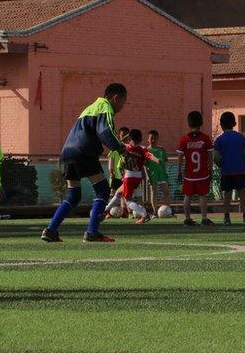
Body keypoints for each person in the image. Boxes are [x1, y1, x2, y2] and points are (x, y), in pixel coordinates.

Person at [41, 83, 129, 243]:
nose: (122, 107)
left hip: (67, 154)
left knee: (73, 195)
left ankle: (51, 230)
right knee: (102, 190)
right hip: (83, 153)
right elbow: (105, 130)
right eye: (123, 102)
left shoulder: (90, 107)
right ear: (116, 98)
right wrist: (122, 150)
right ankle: (92, 232)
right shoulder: (104, 106)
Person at [105, 129, 159, 225]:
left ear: (129, 138)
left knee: (128, 200)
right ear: (141, 139)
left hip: (129, 176)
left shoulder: (126, 148)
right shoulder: (142, 149)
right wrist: (156, 159)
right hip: (138, 177)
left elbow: (117, 142)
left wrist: (126, 137)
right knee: (118, 192)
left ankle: (144, 214)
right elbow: (149, 155)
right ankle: (105, 210)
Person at [213, 111, 245, 225]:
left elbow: (215, 156)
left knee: (227, 195)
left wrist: (220, 164)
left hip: (226, 171)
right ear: (234, 123)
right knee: (242, 194)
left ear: (221, 124)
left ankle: (226, 218)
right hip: (240, 170)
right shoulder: (241, 137)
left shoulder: (219, 140)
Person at [177, 111, 214, 226]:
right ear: (201, 122)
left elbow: (180, 156)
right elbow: (210, 156)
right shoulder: (205, 138)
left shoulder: (184, 139)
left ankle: (187, 218)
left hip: (189, 174)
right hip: (202, 173)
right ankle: (204, 218)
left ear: (189, 123)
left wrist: (179, 170)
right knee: (203, 196)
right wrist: (210, 169)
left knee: (187, 196)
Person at [145, 129, 172, 216]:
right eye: (151, 138)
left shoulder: (162, 150)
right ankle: (155, 212)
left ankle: (168, 211)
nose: (153, 140)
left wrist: (166, 173)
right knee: (154, 192)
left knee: (166, 192)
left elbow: (165, 162)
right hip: (152, 174)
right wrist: (147, 176)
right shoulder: (146, 150)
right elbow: (145, 165)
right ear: (148, 139)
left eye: (155, 138)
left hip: (162, 174)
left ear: (158, 139)